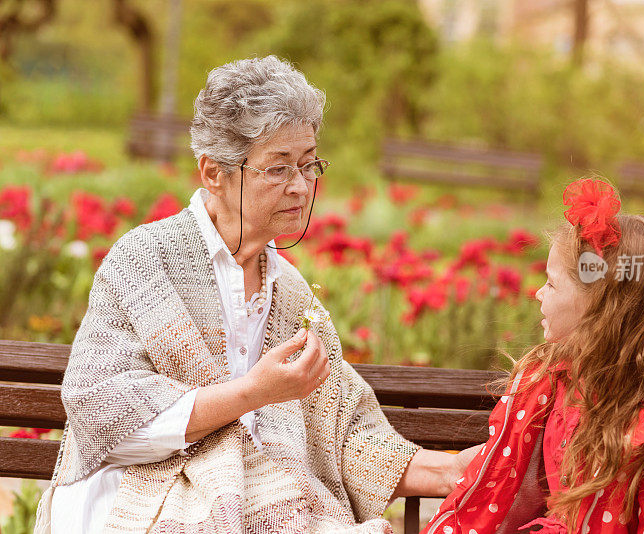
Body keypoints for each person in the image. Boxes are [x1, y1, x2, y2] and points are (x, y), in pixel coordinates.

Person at [34, 56, 478, 534]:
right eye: (278, 168)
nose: (301, 187)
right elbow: (103, 417)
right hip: (135, 500)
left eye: (309, 165)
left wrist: (450, 470)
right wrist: (253, 393)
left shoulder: (289, 291)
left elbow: (342, 431)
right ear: (213, 173)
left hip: (262, 503)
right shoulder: (144, 262)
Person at [423, 178, 644, 533]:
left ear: (601, 305)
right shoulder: (550, 383)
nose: (538, 294)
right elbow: (499, 494)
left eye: (552, 283)